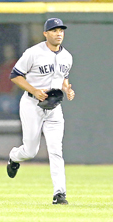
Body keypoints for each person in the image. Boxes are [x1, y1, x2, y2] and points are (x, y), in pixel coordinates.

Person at [6, 18, 75, 205]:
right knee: (30, 151)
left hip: (54, 107)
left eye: (61, 30)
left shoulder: (67, 56)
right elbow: (14, 75)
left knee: (56, 151)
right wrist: (33, 90)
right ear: (46, 33)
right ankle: (14, 157)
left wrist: (67, 88)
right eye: (54, 30)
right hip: (32, 105)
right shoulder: (33, 53)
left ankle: (59, 194)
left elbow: (63, 78)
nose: (58, 33)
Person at [0, 44, 19, 115]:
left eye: (9, 51)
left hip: (11, 96)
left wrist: (14, 91)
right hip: (1, 95)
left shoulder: (17, 64)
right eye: (5, 51)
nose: (7, 53)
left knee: (11, 116)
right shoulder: (3, 65)